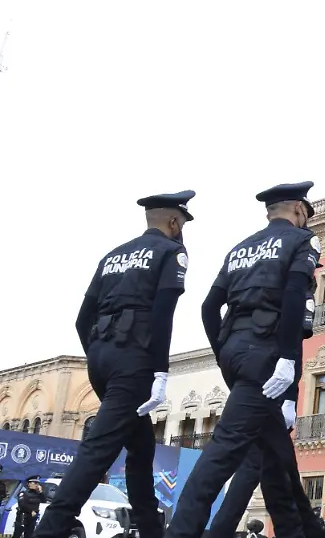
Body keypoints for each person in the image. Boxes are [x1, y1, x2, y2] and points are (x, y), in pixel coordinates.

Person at [165, 182, 321, 538]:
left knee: (279, 460)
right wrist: (285, 360)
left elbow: (209, 308)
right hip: (266, 356)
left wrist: (224, 353)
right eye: (305, 214)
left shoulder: (240, 248)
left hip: (236, 352)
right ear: (298, 209)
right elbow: (296, 296)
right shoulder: (302, 241)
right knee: (223, 451)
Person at [37, 191, 193, 538]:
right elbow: (163, 314)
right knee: (98, 451)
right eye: (182, 223)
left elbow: (82, 318)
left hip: (102, 358)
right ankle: (49, 529)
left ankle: (151, 531)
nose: (182, 230)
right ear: (173, 221)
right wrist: (160, 371)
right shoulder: (171, 252)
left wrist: (97, 353)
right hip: (135, 360)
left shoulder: (113, 256)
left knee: (141, 450)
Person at [208, 275, 325, 538]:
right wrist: (290, 399)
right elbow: (294, 349)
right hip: (273, 397)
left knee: (270, 473)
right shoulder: (301, 298)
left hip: (255, 387)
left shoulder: (271, 293)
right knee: (266, 471)